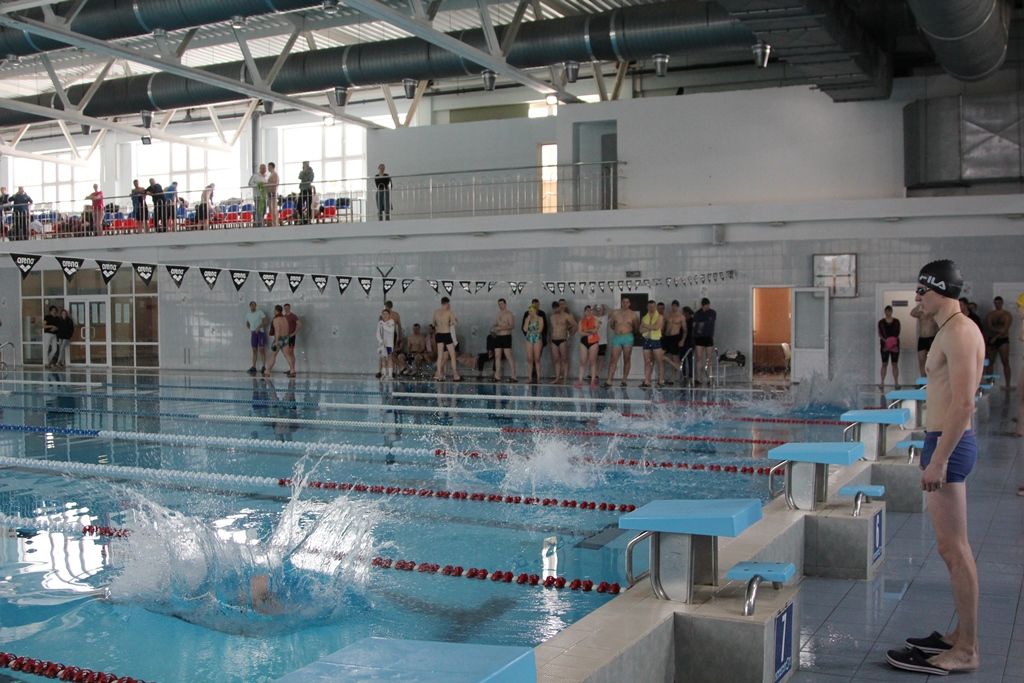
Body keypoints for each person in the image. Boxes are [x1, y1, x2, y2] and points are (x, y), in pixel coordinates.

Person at [886, 259, 984, 676]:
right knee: (953, 549)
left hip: (950, 444)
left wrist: (939, 459)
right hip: (943, 440)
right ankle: (959, 636)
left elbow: (963, 403)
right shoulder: (950, 327)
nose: (916, 298)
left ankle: (967, 649)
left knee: (954, 550)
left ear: (939, 290)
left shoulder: (959, 332)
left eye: (921, 291)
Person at [604, 296, 639, 388]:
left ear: (629, 304)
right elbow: (612, 325)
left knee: (627, 358)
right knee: (613, 359)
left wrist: (628, 331)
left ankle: (624, 380)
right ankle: (609, 380)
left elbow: (636, 327)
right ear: (621, 303)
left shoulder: (633, 314)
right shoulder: (615, 313)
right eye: (624, 302)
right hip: (617, 337)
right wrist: (618, 330)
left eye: (627, 302)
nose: (625, 304)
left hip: (628, 337)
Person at [983, 296, 1012, 389]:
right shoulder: (990, 314)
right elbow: (989, 327)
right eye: (996, 303)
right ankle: (990, 383)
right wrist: (997, 331)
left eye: (999, 303)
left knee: (1005, 361)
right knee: (990, 362)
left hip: (1003, 340)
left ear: (1002, 303)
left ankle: (1008, 384)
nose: (997, 305)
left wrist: (996, 336)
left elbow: (1005, 329)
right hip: (992, 340)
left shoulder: (1007, 315)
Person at [432, 297, 460, 381]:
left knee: (440, 356)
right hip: (446, 334)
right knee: (452, 354)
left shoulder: (435, 312)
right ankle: (455, 374)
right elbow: (455, 323)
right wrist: (452, 322)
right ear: (447, 303)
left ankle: (438, 374)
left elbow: (433, 324)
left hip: (438, 335)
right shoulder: (449, 312)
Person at [548, 300, 577, 384]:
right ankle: (557, 378)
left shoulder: (566, 316)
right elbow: (552, 329)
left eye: (556, 308)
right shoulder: (552, 317)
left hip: (562, 339)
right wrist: (550, 338)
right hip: (554, 340)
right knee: (556, 360)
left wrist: (570, 334)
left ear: (559, 307)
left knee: (564, 359)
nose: (555, 310)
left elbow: (575, 325)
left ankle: (565, 378)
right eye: (554, 309)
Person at [520, 298, 548, 379]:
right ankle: (529, 377)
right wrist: (528, 319)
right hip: (529, 338)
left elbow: (540, 330)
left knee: (537, 359)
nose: (530, 312)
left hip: (537, 338)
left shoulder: (540, 318)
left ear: (535, 311)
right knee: (529, 359)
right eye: (529, 311)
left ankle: (538, 377)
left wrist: (532, 331)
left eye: (531, 311)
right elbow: (524, 329)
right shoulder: (527, 318)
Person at [691, 298, 716, 385]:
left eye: (708, 305)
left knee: (709, 358)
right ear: (702, 305)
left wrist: (701, 324)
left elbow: (709, 323)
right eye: (706, 306)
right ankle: (699, 378)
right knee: (699, 358)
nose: (707, 307)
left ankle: (710, 378)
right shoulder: (697, 314)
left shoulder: (712, 313)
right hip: (699, 337)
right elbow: (695, 326)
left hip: (708, 337)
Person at [640, 300, 664, 388]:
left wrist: (646, 326)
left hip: (656, 340)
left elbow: (657, 327)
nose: (652, 308)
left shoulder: (660, 317)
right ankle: (647, 381)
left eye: (653, 306)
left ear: (655, 307)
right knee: (647, 362)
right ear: (647, 307)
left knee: (659, 361)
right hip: (646, 340)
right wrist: (650, 327)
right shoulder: (644, 317)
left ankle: (661, 381)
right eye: (650, 307)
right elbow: (640, 330)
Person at [491, 298, 517, 382]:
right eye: (499, 304)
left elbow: (512, 326)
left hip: (506, 336)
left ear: (505, 304)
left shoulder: (509, 314)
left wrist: (501, 328)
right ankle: (497, 375)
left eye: (501, 304)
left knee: (508, 356)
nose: (500, 305)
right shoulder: (498, 314)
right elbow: (495, 325)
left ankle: (513, 375)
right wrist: (494, 328)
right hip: (498, 337)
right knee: (497, 356)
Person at [662, 300, 686, 385]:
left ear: (678, 307)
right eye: (673, 306)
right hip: (666, 337)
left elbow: (685, 330)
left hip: (675, 338)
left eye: (675, 306)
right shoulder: (667, 315)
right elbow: (663, 326)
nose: (674, 308)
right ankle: (675, 367)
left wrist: (682, 340)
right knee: (660, 355)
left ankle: (673, 378)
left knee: (674, 358)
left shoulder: (681, 317)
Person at [911, 302, 938, 377]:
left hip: (932, 339)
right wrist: (919, 305)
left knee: (932, 362)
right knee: (921, 361)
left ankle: (931, 379)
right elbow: (912, 313)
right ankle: (923, 380)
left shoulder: (934, 315)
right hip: (922, 339)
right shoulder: (921, 314)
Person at [576, 305, 600, 388]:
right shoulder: (581, 321)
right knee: (582, 362)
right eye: (587, 310)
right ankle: (580, 381)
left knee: (592, 361)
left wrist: (585, 330)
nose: (588, 312)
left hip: (593, 342)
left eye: (590, 310)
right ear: (584, 312)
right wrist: (590, 332)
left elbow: (595, 330)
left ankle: (592, 381)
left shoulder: (595, 320)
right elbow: (580, 332)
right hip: (584, 342)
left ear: (591, 311)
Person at [878, 305, 901, 389]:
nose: (888, 313)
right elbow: (880, 334)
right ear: (885, 312)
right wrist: (886, 341)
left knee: (894, 364)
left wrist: (892, 342)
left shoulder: (896, 321)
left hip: (894, 345)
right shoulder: (881, 322)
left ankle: (896, 383)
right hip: (884, 345)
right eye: (887, 311)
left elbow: (897, 333)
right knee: (884, 363)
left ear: (891, 312)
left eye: (889, 311)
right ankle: (882, 382)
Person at [264, 306, 290, 377]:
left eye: (274, 310)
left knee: (273, 355)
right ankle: (292, 370)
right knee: (287, 355)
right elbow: (288, 328)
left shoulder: (276, 319)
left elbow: (277, 331)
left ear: (276, 311)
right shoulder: (285, 318)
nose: (273, 311)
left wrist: (276, 342)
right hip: (286, 338)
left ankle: (268, 371)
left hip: (279, 339)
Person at [245, 301, 268, 375]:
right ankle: (254, 367)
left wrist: (259, 327)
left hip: (260, 333)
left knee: (261, 349)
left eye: (254, 305)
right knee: (254, 350)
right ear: (250, 306)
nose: (253, 306)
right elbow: (247, 323)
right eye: (251, 305)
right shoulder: (248, 314)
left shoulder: (260, 312)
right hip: (253, 334)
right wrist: (251, 328)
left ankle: (263, 366)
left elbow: (265, 321)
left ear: (256, 306)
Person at [376, 309, 396, 380]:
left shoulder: (391, 321)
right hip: (382, 344)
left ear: (389, 315)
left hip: (389, 344)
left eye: (386, 314)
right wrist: (380, 341)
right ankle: (384, 374)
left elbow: (391, 330)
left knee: (389, 358)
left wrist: (383, 324)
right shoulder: (380, 323)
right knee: (383, 358)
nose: (385, 315)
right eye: (383, 314)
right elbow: (377, 333)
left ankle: (390, 374)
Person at [282, 303, 300, 378]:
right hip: (285, 337)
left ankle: (293, 370)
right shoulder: (283, 316)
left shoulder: (293, 316)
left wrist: (294, 333)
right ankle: (291, 369)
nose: (286, 309)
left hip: (291, 337)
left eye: (287, 308)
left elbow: (299, 324)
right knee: (287, 353)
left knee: (290, 353)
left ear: (290, 308)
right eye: (285, 308)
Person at [680, 306, 696, 383]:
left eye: (683, 312)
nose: (682, 314)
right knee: (682, 359)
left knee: (690, 360)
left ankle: (690, 376)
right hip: (683, 343)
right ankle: (684, 375)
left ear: (686, 313)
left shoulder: (692, 321)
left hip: (690, 342)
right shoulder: (682, 321)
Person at [267, 162, 280, 227]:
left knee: (274, 209)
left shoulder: (274, 174)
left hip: (273, 194)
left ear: (271, 167)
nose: (268, 168)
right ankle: (273, 223)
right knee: (271, 210)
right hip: (270, 194)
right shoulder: (271, 174)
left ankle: (275, 223)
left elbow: (275, 184)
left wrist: (273, 192)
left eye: (268, 167)